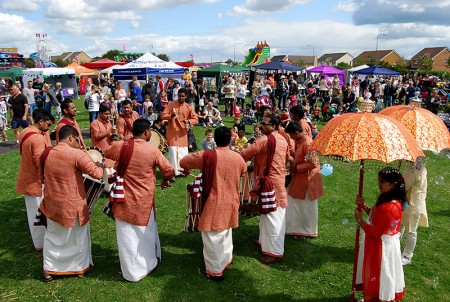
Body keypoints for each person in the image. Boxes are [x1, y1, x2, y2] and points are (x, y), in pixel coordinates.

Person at [105, 119, 174, 282]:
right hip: (144, 200)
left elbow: (107, 153)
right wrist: (165, 180)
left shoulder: (121, 146)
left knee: (126, 235)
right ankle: (147, 263)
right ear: (146, 132)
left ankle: (131, 272)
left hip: (123, 199)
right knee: (145, 233)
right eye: (150, 130)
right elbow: (169, 170)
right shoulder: (153, 151)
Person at [180, 126, 247, 281]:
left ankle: (215, 271)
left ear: (215, 140)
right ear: (230, 140)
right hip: (231, 200)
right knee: (225, 231)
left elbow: (184, 161)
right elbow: (243, 172)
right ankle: (225, 259)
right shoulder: (238, 158)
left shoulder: (207, 155)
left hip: (214, 201)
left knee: (212, 235)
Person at [40, 125, 104, 282]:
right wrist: (101, 165)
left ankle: (49, 269)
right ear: (70, 138)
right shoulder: (76, 154)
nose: (79, 143)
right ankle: (78, 268)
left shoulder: (49, 152)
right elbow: (97, 174)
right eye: (77, 139)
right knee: (77, 236)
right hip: (72, 203)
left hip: (52, 202)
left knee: (53, 236)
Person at [241, 114, 290, 264]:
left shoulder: (265, 139)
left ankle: (275, 253)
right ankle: (264, 241)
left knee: (273, 217)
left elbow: (246, 154)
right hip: (277, 180)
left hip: (270, 183)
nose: (261, 126)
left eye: (264, 123)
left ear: (274, 126)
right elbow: (287, 159)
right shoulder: (283, 139)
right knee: (266, 214)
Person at [355, 168, 406, 302]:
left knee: (382, 273)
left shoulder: (390, 207)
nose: (379, 184)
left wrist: (359, 220)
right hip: (379, 243)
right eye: (379, 181)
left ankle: (381, 298)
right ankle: (375, 297)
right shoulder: (385, 198)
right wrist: (364, 206)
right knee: (377, 273)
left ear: (393, 185)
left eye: (382, 182)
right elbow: (375, 217)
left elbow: (377, 232)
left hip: (382, 247)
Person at [16, 109, 54, 250]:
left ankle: (40, 242)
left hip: (27, 177)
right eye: (48, 125)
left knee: (33, 213)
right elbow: (40, 161)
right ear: (40, 121)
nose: (49, 128)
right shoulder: (37, 138)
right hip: (36, 181)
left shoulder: (24, 131)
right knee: (40, 214)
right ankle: (43, 243)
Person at [284, 121, 323, 240]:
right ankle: (298, 229)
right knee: (297, 205)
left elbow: (313, 163)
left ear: (296, 133)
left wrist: (296, 168)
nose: (291, 138)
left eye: (291, 136)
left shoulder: (308, 143)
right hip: (301, 178)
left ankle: (303, 231)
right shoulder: (301, 142)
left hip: (307, 180)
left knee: (303, 206)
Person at [161, 88, 198, 178]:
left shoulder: (188, 107)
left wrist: (188, 121)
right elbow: (162, 116)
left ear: (186, 96)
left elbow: (196, 119)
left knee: (182, 153)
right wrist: (171, 116)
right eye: (179, 96)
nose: (181, 98)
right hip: (172, 133)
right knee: (173, 153)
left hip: (183, 134)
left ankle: (182, 171)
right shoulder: (171, 105)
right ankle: (172, 172)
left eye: (183, 96)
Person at [400, 160, 428, 266]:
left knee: (410, 230)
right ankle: (394, 248)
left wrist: (398, 180)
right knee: (400, 226)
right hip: (408, 203)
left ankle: (407, 255)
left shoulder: (416, 169)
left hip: (413, 204)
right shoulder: (418, 167)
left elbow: (406, 185)